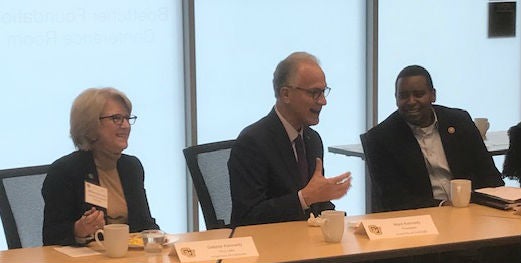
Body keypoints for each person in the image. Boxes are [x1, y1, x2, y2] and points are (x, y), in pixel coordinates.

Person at [228, 52, 352, 227]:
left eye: (323, 92)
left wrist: (338, 219)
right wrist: (304, 198)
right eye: (314, 93)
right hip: (270, 248)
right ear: (285, 94)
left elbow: (317, 203)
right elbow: (248, 217)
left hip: (308, 243)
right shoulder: (252, 143)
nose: (323, 101)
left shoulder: (312, 139)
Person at [363, 65, 504, 213]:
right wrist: (444, 206)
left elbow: (491, 177)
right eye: (403, 96)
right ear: (396, 98)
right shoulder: (380, 139)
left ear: (433, 95)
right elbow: (394, 199)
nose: (411, 101)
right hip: (421, 219)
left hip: (473, 211)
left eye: (418, 94)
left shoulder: (459, 122)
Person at [42, 87, 159, 246]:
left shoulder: (131, 167)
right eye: (116, 118)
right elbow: (52, 237)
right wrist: (79, 230)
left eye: (127, 118)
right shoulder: (65, 171)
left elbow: (145, 224)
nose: (125, 125)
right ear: (90, 125)